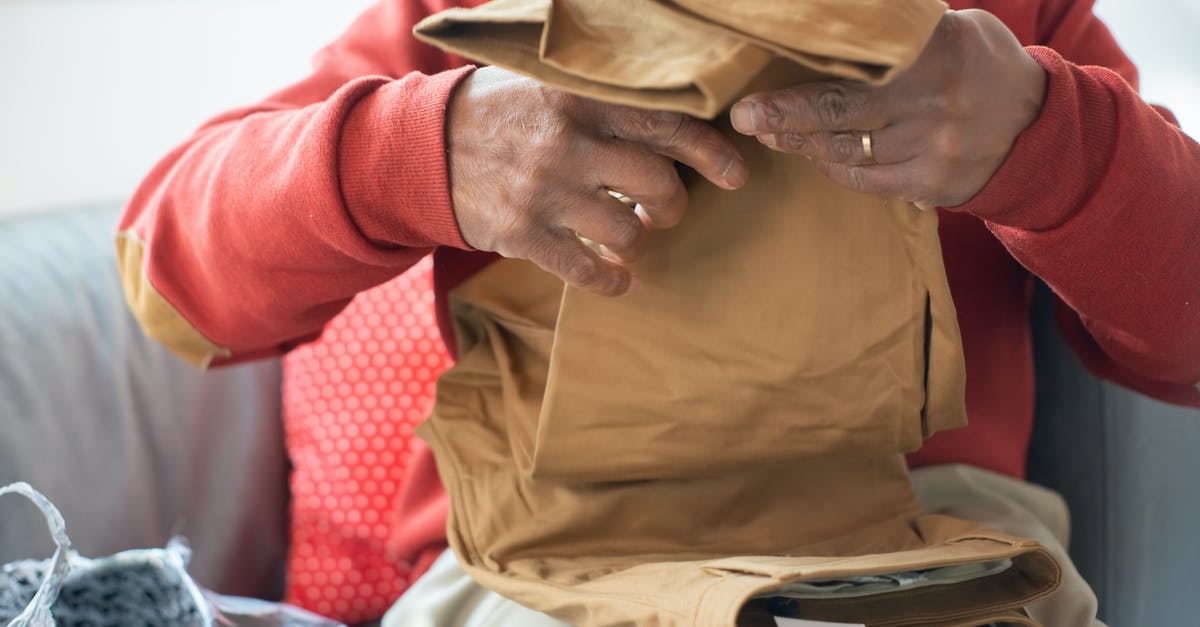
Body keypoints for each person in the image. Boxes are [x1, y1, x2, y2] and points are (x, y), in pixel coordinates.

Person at [116, 0, 1200, 625]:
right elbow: (173, 287)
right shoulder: (459, 17)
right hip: (530, 571)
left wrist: (1049, 139)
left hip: (920, 551)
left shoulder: (1009, 28)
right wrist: (417, 155)